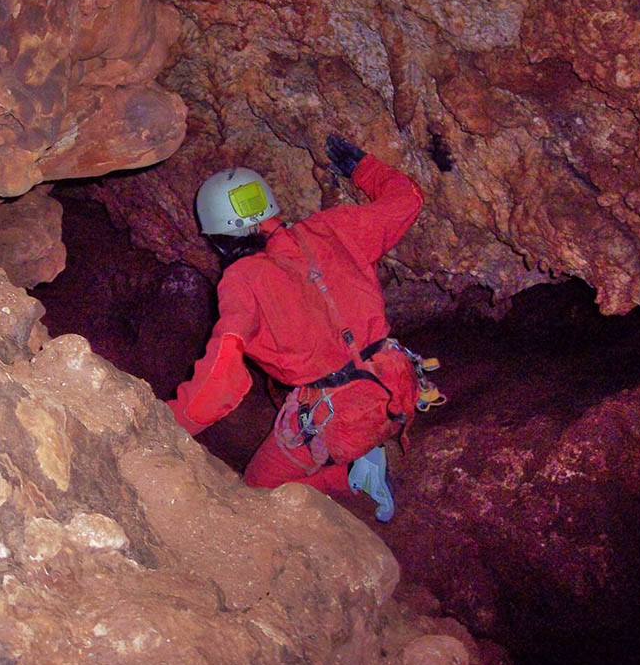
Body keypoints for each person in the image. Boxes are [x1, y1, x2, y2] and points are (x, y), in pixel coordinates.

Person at [167, 135, 441, 521]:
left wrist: (168, 425)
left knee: (258, 492)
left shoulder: (242, 281)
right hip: (400, 384)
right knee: (292, 394)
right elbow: (407, 199)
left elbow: (221, 379)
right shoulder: (333, 228)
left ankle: (350, 475)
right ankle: (367, 448)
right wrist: (362, 166)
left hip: (345, 416)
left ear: (218, 238)